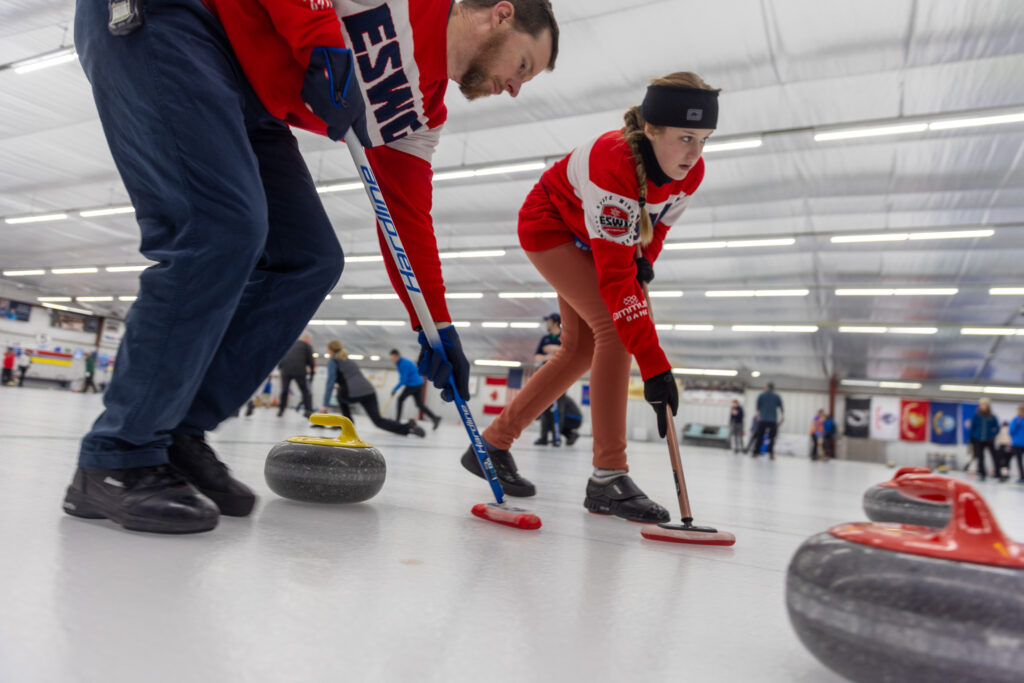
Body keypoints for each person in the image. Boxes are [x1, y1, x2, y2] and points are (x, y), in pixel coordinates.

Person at [63, 0, 558, 534]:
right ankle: (117, 456)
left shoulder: (418, 110)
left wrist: (436, 328)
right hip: (176, 19)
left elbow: (406, 220)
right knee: (219, 229)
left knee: (309, 258)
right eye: (524, 67)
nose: (514, 88)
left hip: (249, 85)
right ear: (501, 15)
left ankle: (178, 431)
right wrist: (320, 37)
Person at [459, 72, 718, 523]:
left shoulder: (689, 175)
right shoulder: (611, 161)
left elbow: (654, 229)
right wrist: (655, 367)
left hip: (596, 240)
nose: (695, 153)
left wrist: (646, 259)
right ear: (652, 130)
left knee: (580, 349)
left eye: (705, 139)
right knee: (615, 334)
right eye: (685, 138)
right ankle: (607, 476)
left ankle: (492, 445)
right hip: (551, 228)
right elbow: (616, 284)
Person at [325, 341, 425, 437]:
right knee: (378, 421)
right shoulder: (349, 361)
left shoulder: (333, 362)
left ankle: (347, 424)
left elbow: (330, 383)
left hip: (353, 392)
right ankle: (408, 427)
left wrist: (325, 405)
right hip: (369, 391)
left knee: (340, 395)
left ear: (330, 350)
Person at [390, 349, 440, 429]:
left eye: (393, 358)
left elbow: (403, 380)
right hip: (417, 383)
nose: (392, 360)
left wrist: (395, 389)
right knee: (419, 404)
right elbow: (406, 376)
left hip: (413, 384)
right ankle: (435, 418)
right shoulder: (401, 363)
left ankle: (397, 421)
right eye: (391, 359)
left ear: (397, 356)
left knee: (400, 399)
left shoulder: (403, 363)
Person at [534, 312, 562, 445]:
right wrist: (550, 355)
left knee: (559, 407)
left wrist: (554, 349)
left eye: (549, 321)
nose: (547, 323)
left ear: (555, 322)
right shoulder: (545, 338)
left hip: (561, 376)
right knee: (544, 406)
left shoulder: (565, 336)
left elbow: (570, 351)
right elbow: (537, 357)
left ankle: (557, 437)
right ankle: (543, 437)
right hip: (546, 375)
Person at [277, 334, 316, 418]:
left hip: (285, 369)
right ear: (307, 339)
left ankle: (281, 410)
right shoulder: (307, 345)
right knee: (305, 391)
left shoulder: (290, 343)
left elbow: (282, 355)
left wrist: (280, 367)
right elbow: (310, 360)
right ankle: (308, 410)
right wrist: (312, 371)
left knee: (284, 390)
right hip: (299, 370)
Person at [748, 382, 784, 459]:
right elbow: (781, 408)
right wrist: (782, 418)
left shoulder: (762, 395)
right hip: (773, 420)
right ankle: (771, 453)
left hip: (763, 419)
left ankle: (756, 452)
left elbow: (757, 408)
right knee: (772, 438)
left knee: (760, 436)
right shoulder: (776, 396)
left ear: (767, 387)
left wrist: (758, 416)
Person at [968, 398, 1000, 481]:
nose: (983, 406)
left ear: (988, 406)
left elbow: (997, 427)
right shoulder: (976, 416)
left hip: (989, 439)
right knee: (980, 457)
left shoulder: (992, 417)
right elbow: (972, 428)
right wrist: (971, 438)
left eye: (984, 405)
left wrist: (993, 435)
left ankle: (997, 473)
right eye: (981, 405)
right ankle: (982, 473)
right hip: (978, 439)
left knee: (994, 456)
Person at [1009, 405, 1024, 483]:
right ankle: (1022, 476)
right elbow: (1011, 431)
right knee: (1019, 461)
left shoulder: (1016, 420)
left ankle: (1022, 477)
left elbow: (1011, 432)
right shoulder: (1015, 420)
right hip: (1017, 444)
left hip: (1018, 443)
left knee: (1019, 461)